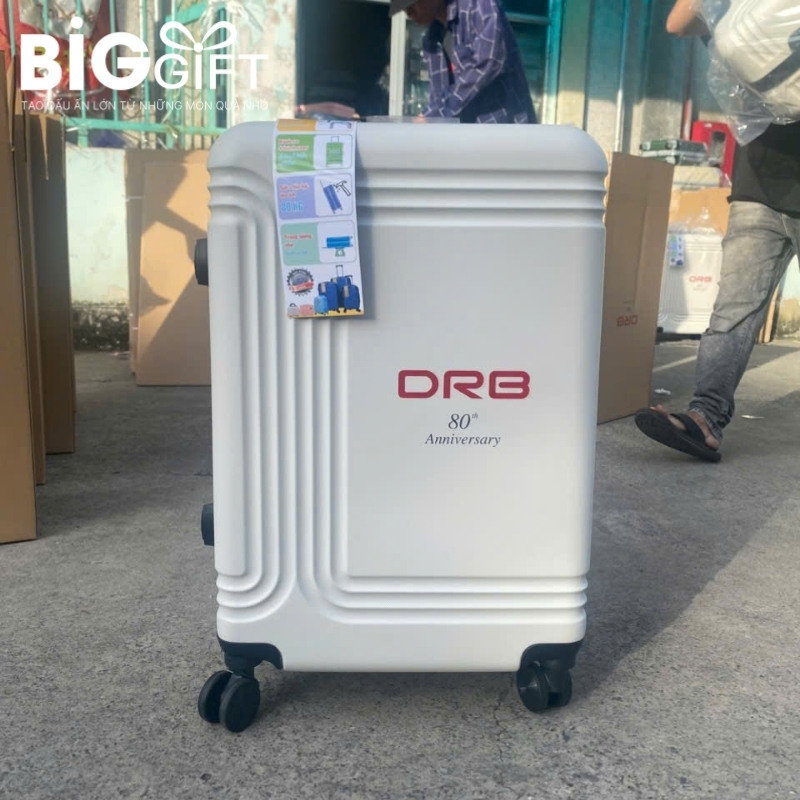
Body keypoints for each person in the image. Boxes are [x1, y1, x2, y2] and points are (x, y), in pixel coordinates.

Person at [635, 0, 800, 462]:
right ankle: (705, 418)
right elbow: (677, 22)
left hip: (767, 174)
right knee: (732, 311)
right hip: (760, 181)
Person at [389, 0, 536, 124]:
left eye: (411, 5)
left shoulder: (478, 5)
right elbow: (438, 97)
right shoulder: (431, 41)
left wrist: (434, 114)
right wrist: (431, 119)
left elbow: (489, 61)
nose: (409, 13)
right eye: (404, 9)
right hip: (467, 137)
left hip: (507, 132)